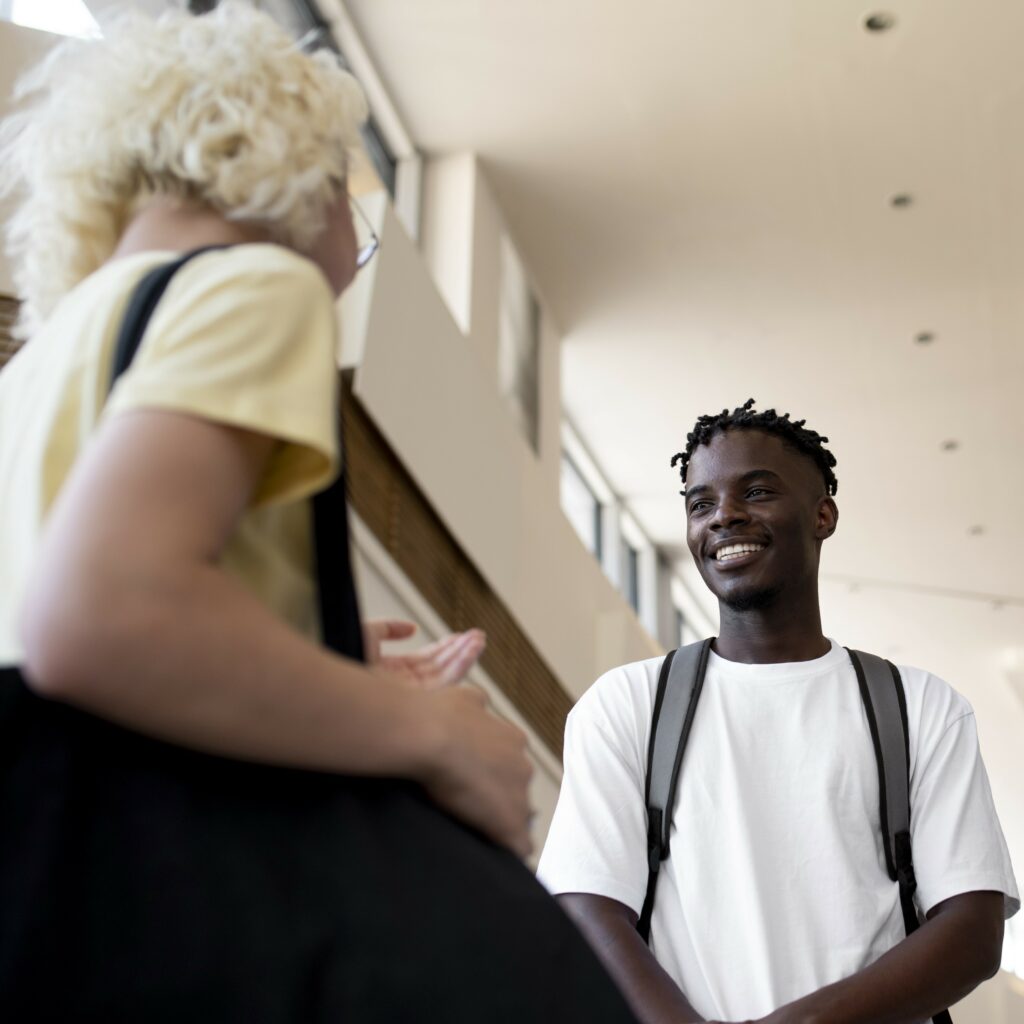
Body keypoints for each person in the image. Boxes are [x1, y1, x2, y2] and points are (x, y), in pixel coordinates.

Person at [0, 5, 639, 1021]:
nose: (352, 244)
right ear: (297, 171)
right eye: (357, 204)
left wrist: (306, 647)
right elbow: (102, 614)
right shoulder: (254, 282)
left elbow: (55, 619)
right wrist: (432, 730)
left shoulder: (39, 365)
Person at [537, 399, 1019, 1024]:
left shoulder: (920, 706)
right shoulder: (630, 704)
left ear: (824, 515)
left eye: (756, 491)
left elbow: (972, 932)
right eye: (700, 503)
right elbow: (588, 909)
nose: (724, 516)